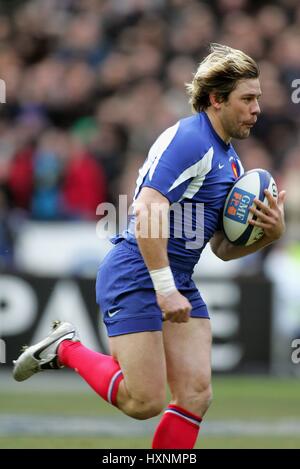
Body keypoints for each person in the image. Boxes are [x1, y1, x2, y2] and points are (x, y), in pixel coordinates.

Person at [12, 44, 286, 449]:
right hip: (138, 270)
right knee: (144, 400)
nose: (256, 109)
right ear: (216, 99)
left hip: (175, 277)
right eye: (247, 99)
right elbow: (146, 209)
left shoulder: (231, 162)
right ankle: (65, 348)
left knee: (196, 394)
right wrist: (164, 287)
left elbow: (223, 249)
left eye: (258, 99)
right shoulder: (191, 139)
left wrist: (270, 234)